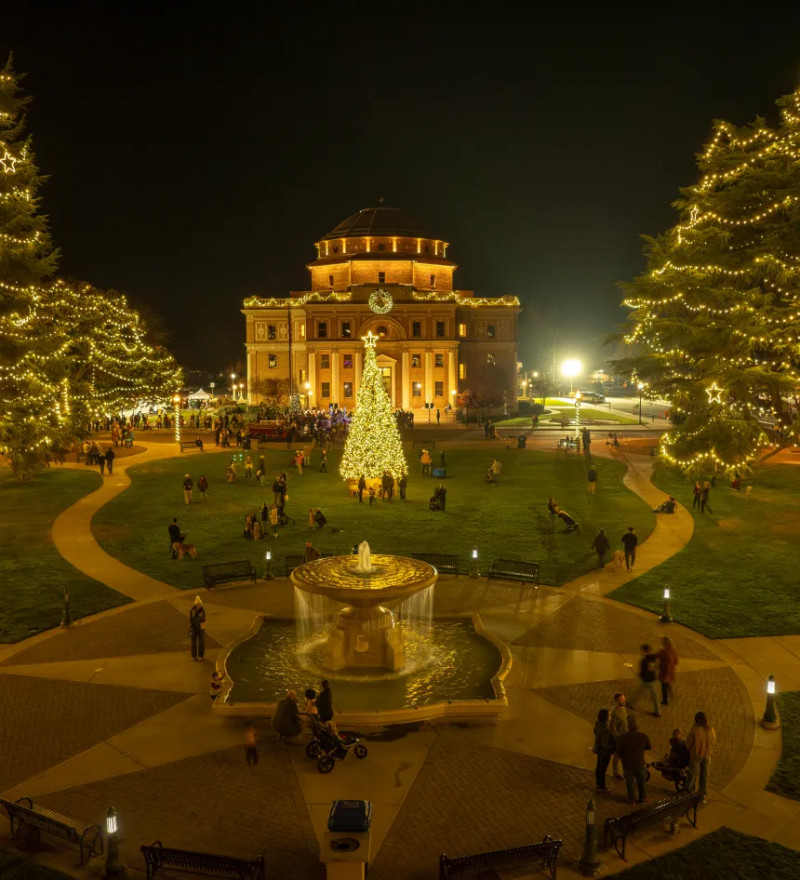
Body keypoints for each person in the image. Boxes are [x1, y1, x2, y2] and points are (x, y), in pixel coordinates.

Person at [615, 715, 652, 805]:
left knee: (629, 783)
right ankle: (642, 798)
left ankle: (631, 800)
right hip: (639, 763)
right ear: (638, 727)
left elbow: (618, 753)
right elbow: (649, 746)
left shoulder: (622, 738)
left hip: (627, 765)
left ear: (628, 727)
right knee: (641, 782)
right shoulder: (643, 736)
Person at [686, 711, 716, 803]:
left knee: (692, 774)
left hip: (696, 755)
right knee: (705, 775)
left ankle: (687, 794)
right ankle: (703, 795)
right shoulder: (710, 729)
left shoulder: (694, 729)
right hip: (707, 755)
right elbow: (713, 741)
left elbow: (688, 743)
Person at [629, 643, 660, 717]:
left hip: (645, 680)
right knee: (655, 696)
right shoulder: (654, 658)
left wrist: (640, 675)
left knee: (637, 691)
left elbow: (643, 671)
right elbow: (656, 667)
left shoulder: (644, 660)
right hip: (652, 679)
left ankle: (631, 703)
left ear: (643, 650)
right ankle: (657, 711)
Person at [593, 708, 616, 793]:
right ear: (605, 716)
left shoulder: (598, 723)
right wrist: (613, 747)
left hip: (599, 750)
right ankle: (602, 787)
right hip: (604, 752)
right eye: (609, 714)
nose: (610, 716)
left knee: (599, 767)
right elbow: (605, 744)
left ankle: (598, 784)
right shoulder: (606, 728)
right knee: (602, 769)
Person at [610, 693, 628, 781]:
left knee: (624, 756)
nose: (623, 701)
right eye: (621, 699)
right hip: (619, 738)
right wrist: (618, 739)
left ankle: (625, 772)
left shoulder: (624, 708)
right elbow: (613, 728)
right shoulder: (614, 712)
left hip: (625, 736)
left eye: (623, 699)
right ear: (617, 701)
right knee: (617, 757)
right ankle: (615, 773)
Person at [658, 636, 679, 706]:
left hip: (665, 672)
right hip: (671, 672)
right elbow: (676, 662)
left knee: (664, 686)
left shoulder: (663, 651)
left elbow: (658, 656)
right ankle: (670, 693)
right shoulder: (673, 651)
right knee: (667, 683)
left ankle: (665, 701)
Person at [189, 596, 206, 661]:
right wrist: (190, 626)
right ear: (195, 604)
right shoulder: (192, 611)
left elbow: (203, 620)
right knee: (193, 642)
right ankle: (193, 656)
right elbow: (190, 619)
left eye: (199, 604)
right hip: (193, 628)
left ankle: (200, 656)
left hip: (200, 627)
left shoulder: (203, 611)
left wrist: (202, 628)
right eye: (197, 604)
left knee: (201, 641)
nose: (199, 606)